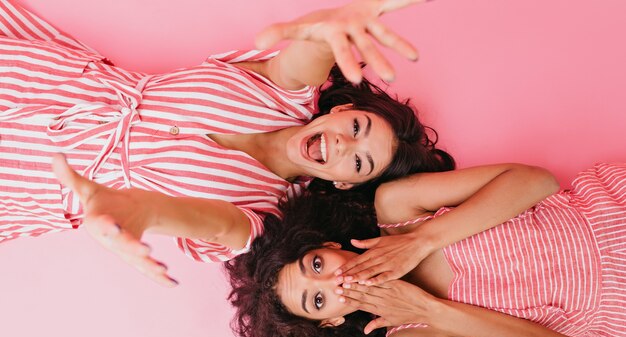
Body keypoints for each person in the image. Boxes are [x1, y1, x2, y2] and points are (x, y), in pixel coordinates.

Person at [0, 0, 453, 286]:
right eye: (357, 129)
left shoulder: (265, 216)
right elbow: (306, 55)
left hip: (34, 178)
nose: (342, 145)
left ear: (342, 186)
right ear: (340, 111)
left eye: (358, 164)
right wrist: (331, 25)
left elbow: (217, 225)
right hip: (44, 81)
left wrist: (145, 210)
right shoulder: (283, 92)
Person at [226, 162, 625, 337]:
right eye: (318, 300)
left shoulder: (398, 206)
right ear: (330, 322)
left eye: (315, 265)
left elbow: (540, 182)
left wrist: (420, 240)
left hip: (610, 209)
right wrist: (430, 310)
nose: (335, 280)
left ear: (327, 244)